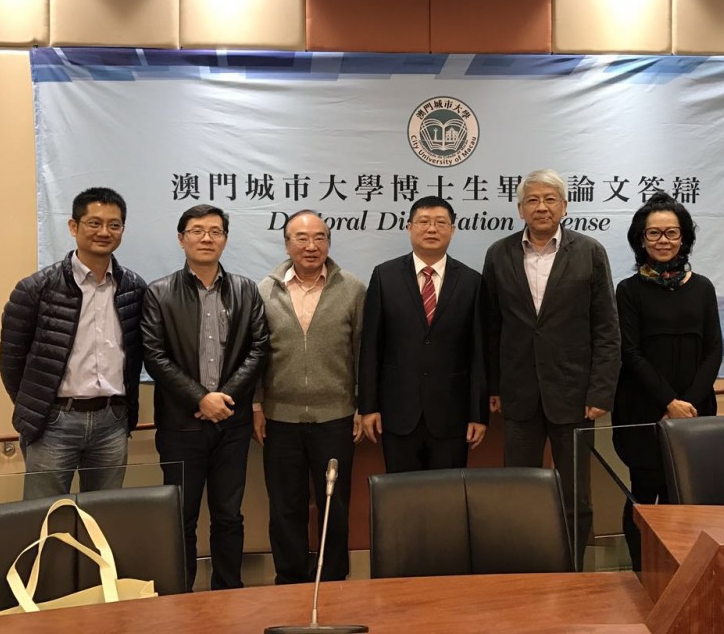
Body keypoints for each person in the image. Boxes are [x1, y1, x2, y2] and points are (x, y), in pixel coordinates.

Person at [483, 168, 620, 558]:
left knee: (576, 492)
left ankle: (574, 569)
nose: (541, 207)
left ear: (564, 206)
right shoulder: (499, 253)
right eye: (532, 200)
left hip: (575, 396)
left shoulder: (590, 251)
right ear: (520, 208)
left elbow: (606, 327)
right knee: (517, 489)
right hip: (518, 395)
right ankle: (523, 566)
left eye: (549, 199)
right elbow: (492, 327)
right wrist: (493, 386)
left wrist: (600, 390)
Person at [141, 204, 269, 591]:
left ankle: (228, 591)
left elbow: (259, 348)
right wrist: (200, 398)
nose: (207, 238)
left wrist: (224, 398)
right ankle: (180, 596)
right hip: (181, 425)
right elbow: (154, 354)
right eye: (197, 230)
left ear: (225, 239)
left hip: (232, 423)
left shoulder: (247, 290)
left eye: (215, 231)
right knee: (179, 516)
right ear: (181, 239)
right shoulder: (159, 292)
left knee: (229, 515)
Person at [0, 187, 146, 500]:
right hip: (54, 422)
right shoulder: (34, 289)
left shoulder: (133, 288)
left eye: (114, 224)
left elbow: (137, 354)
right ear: (73, 226)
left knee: (103, 520)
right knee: (46, 520)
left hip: (112, 422)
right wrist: (40, 408)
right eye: (94, 223)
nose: (104, 232)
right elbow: (11, 361)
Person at [612, 191, 722, 571]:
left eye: (671, 233)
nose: (663, 241)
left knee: (687, 497)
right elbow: (630, 352)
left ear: (684, 238)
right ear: (640, 239)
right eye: (653, 233)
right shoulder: (628, 291)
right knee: (643, 495)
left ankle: (685, 574)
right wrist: (668, 403)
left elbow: (713, 352)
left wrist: (688, 403)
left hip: (694, 412)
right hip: (643, 412)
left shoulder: (703, 287)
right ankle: (643, 574)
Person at [255, 210, 366, 585]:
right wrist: (256, 404)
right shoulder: (265, 290)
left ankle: (333, 581)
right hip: (280, 419)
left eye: (319, 237)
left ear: (329, 243)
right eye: (301, 238)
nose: (311, 245)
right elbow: (255, 355)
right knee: (286, 507)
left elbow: (363, 353)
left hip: (335, 417)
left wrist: (360, 405)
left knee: (334, 505)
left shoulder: (351, 288)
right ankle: (289, 581)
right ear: (287, 244)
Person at [359, 195, 488, 472]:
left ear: (452, 230)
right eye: (424, 222)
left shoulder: (471, 281)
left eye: (441, 222)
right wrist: (368, 407)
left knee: (449, 498)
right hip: (398, 413)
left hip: (452, 416)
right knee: (401, 499)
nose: (432, 229)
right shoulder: (385, 276)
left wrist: (479, 414)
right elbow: (371, 347)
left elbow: (478, 352)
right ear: (409, 228)